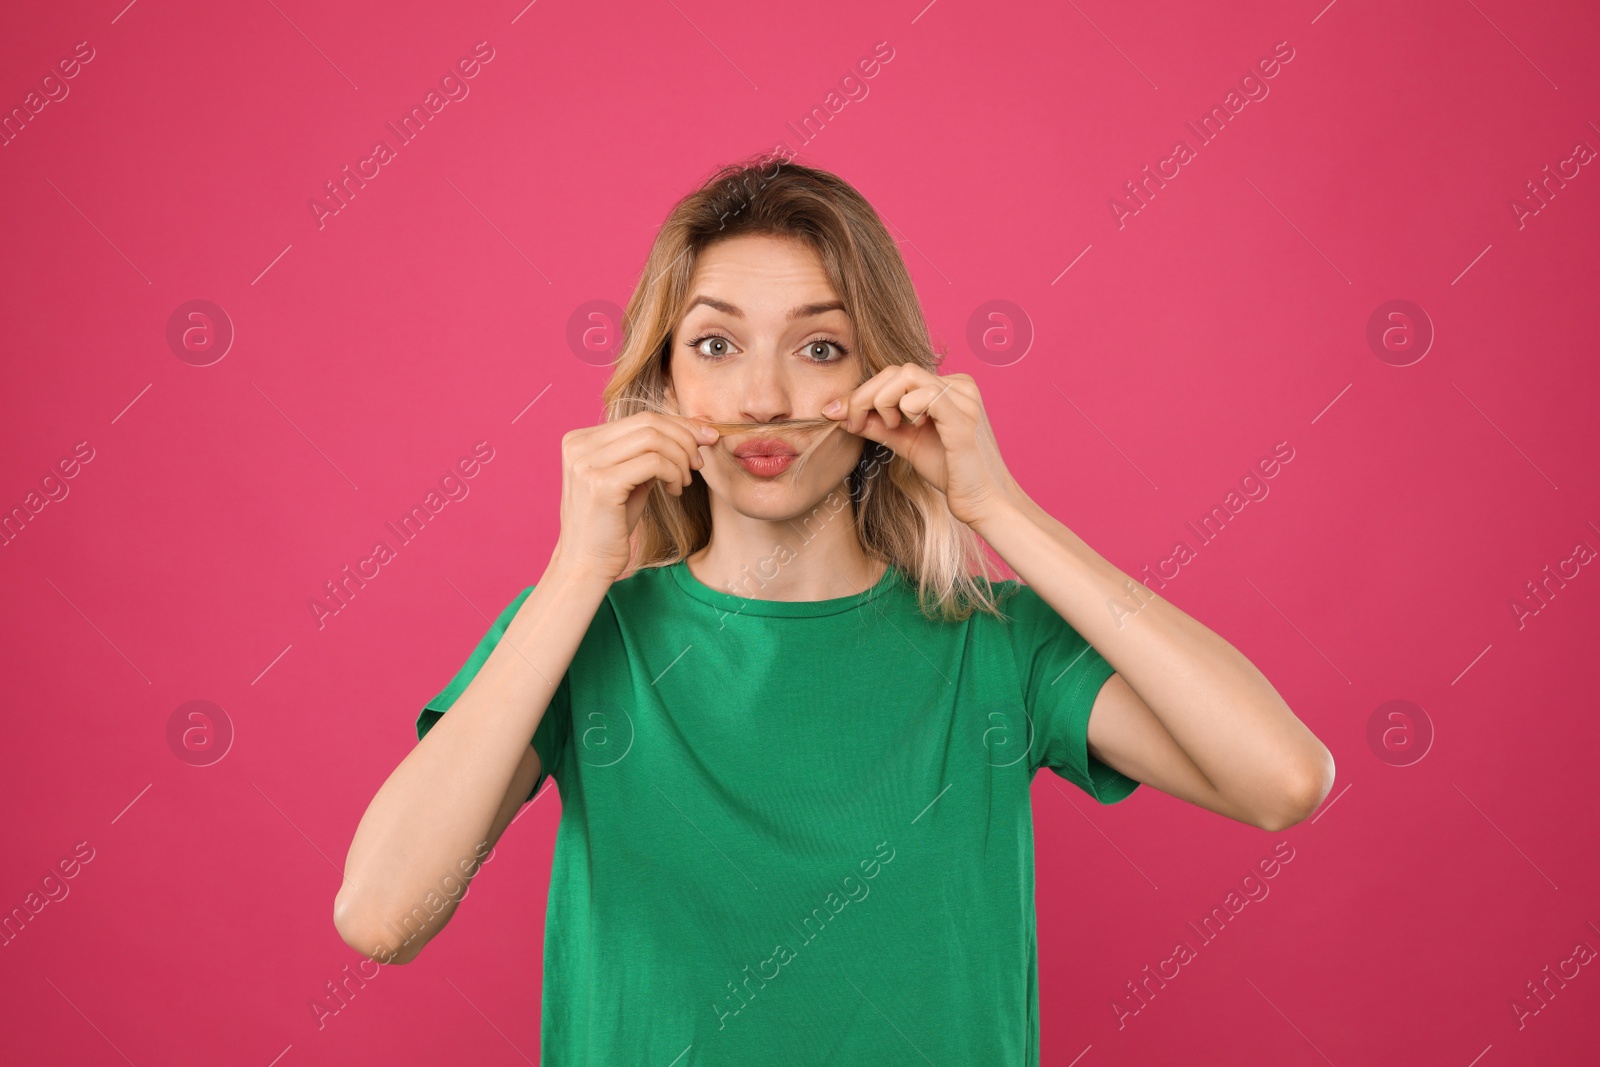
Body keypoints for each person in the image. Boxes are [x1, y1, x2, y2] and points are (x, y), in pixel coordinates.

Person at [334, 155, 1335, 1064]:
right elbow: (383, 916)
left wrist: (997, 505)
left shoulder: (995, 643)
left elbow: (1282, 777)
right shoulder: (579, 631)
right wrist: (574, 570)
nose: (762, 393)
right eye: (716, 342)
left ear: (880, 384)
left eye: (818, 347)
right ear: (663, 381)